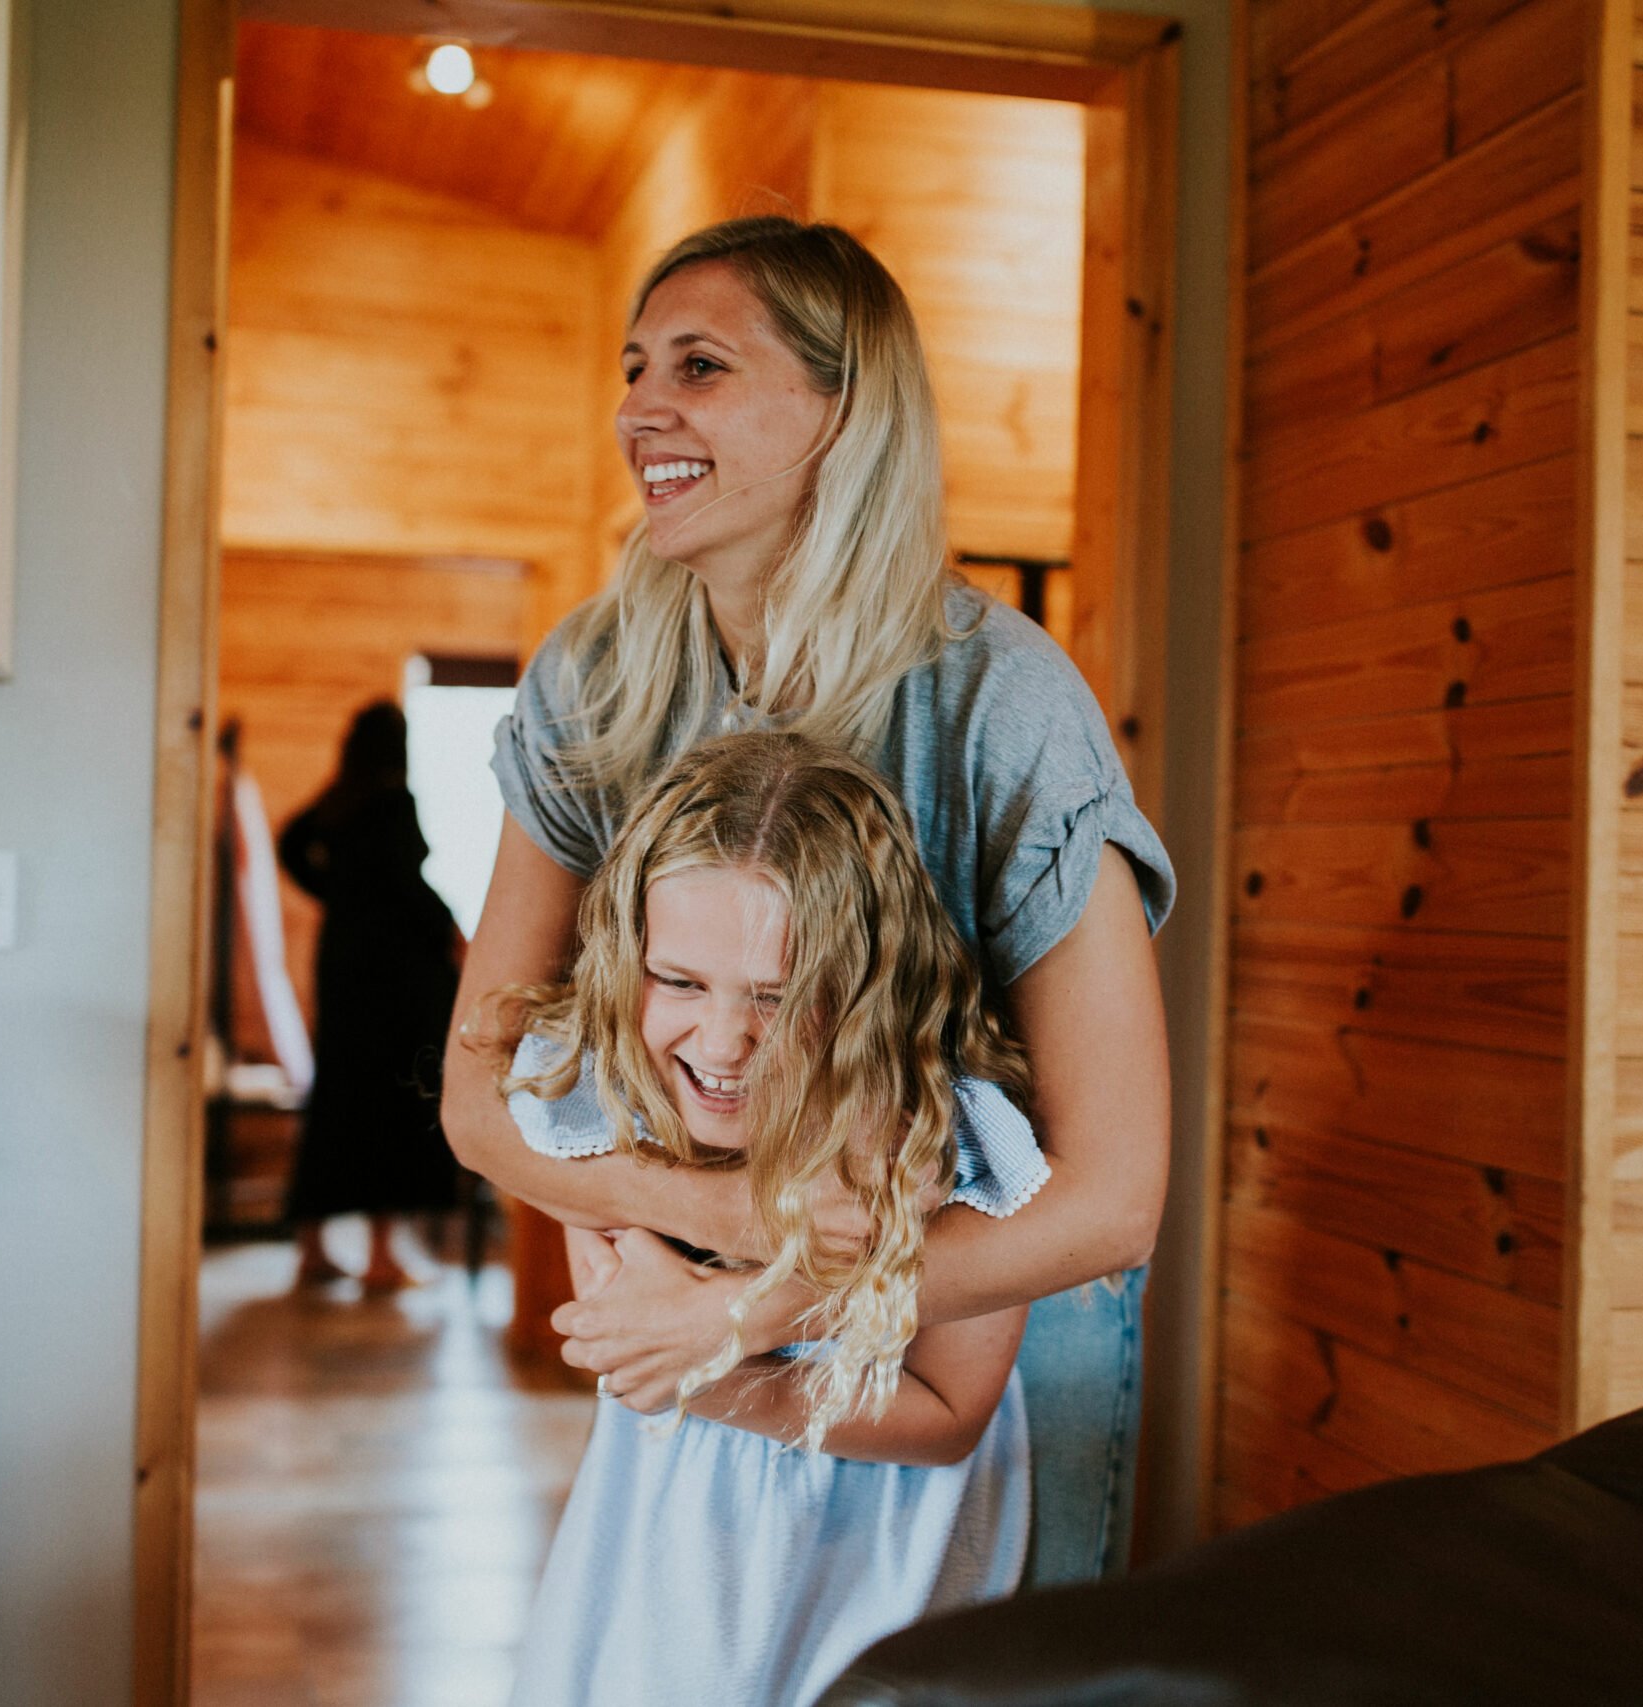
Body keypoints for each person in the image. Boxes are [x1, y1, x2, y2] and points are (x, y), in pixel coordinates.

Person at [443, 216, 1174, 1584]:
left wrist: (752, 1293)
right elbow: (476, 1088)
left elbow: (1113, 1197)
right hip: (703, 1346)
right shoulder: (592, 682)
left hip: (983, 1340)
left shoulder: (1004, 704)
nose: (638, 409)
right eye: (634, 366)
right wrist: (697, 1259)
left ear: (845, 410)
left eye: (700, 366)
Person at [495, 733, 1049, 1707]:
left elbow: (951, 1415)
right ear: (631, 955)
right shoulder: (612, 1096)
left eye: (778, 997)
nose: (720, 1041)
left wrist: (707, 1375)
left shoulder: (950, 1138)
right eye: (678, 981)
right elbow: (619, 1324)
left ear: (867, 984)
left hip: (874, 1549)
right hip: (670, 1545)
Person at [281, 699, 463, 1289]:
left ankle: (311, 1249)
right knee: (389, 1107)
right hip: (391, 979)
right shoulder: (391, 801)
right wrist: (452, 931)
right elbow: (409, 885)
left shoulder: (340, 801)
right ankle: (381, 1258)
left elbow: (290, 843)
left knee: (336, 1100)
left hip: (341, 969)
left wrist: (336, 895)